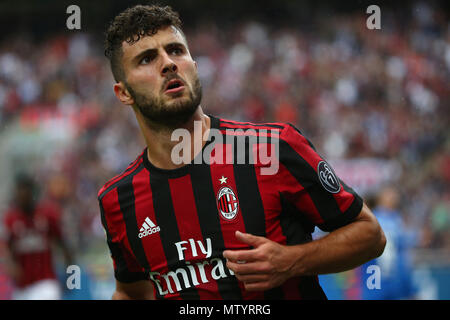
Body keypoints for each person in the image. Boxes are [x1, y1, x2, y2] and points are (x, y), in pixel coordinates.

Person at [98, 4, 386, 300]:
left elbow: (370, 234)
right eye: (147, 58)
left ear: (194, 66)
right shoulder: (118, 200)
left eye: (176, 50)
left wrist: (290, 262)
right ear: (124, 93)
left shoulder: (271, 148)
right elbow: (132, 292)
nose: (168, 63)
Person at [3, 174, 73, 300]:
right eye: (19, 193)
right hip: (22, 287)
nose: (22, 197)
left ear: (32, 193)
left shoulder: (47, 215)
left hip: (46, 283)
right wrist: (11, 265)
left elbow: (64, 246)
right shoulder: (11, 219)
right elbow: (6, 250)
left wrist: (72, 278)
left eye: (26, 193)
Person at [358, 186, 418, 299]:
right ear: (380, 197)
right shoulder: (371, 217)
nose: (393, 197)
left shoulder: (397, 219)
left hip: (394, 278)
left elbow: (403, 250)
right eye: (389, 194)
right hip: (375, 275)